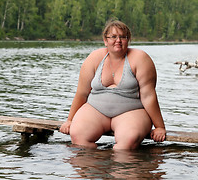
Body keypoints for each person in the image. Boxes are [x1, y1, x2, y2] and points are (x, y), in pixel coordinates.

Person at [59, 19, 166, 150]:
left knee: (126, 143)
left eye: (123, 37)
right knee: (78, 136)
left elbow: (148, 96)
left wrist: (159, 127)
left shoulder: (140, 59)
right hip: (96, 110)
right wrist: (70, 120)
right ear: (105, 40)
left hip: (131, 111)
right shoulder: (94, 58)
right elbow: (82, 93)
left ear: (128, 40)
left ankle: (122, 169)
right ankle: (97, 167)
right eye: (113, 37)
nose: (118, 40)